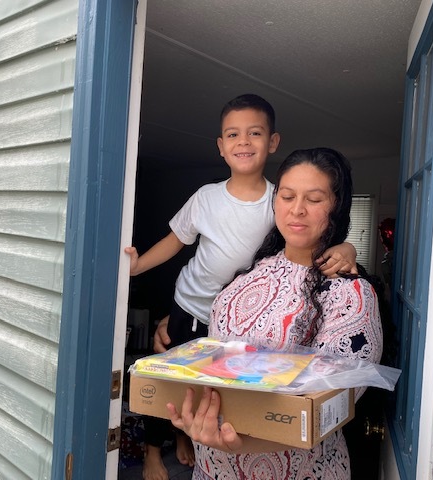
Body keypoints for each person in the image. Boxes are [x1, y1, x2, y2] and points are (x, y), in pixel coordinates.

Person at [126, 95, 358, 480]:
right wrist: (137, 268)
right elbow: (175, 239)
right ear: (220, 146)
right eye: (232, 134)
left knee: (215, 388)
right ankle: (155, 452)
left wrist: (346, 247)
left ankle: (189, 439)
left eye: (255, 133)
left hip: (239, 322)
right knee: (170, 386)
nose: (243, 141)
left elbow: (310, 234)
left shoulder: (279, 200)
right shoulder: (206, 197)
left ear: (273, 141)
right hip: (191, 305)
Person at [167, 147, 384, 480]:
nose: (296, 210)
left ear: (337, 206)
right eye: (287, 196)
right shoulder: (247, 276)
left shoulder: (349, 295)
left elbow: (324, 411)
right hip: (213, 469)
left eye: (313, 199)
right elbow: (213, 357)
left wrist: (238, 444)